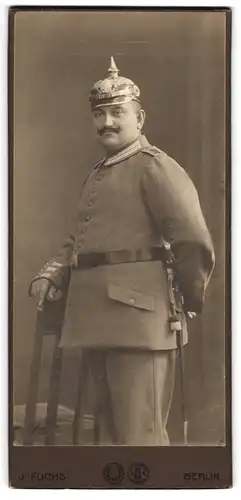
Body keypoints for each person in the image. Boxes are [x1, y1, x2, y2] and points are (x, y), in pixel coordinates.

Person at [29, 57, 215, 446]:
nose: (107, 122)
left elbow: (193, 241)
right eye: (99, 114)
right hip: (95, 319)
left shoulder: (156, 167)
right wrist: (53, 271)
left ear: (140, 117)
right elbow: (79, 239)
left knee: (141, 438)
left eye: (117, 112)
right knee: (109, 439)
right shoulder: (99, 171)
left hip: (140, 323)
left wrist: (186, 299)